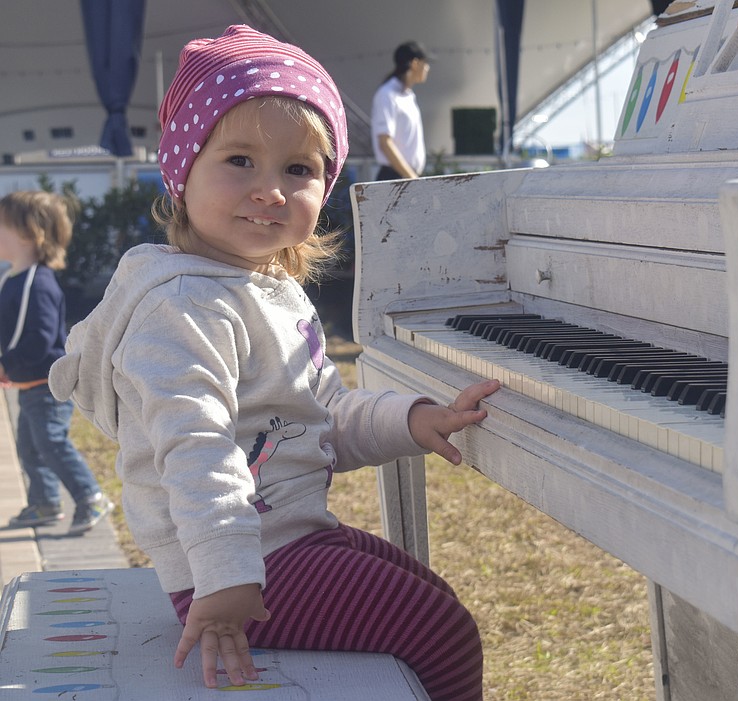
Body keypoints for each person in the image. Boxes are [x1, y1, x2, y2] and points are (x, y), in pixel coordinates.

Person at [49, 25, 497, 701]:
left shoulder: (270, 289)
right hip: (232, 568)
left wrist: (413, 419)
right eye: (239, 161)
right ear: (182, 170)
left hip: (284, 541)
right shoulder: (183, 304)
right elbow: (193, 445)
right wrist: (227, 576)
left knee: (429, 594)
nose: (270, 190)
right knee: (444, 631)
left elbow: (322, 416)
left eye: (298, 169)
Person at [0, 191, 114, 535]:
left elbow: (39, 336)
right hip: (29, 383)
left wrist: (8, 362)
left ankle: (91, 496)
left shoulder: (38, 283)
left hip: (48, 383)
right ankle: (46, 502)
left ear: (27, 233)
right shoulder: (11, 278)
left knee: (51, 443)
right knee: (30, 447)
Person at [371, 40, 431, 180]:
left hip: (407, 178)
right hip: (395, 179)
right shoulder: (386, 94)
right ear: (415, 63)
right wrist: (411, 177)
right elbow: (385, 142)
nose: (427, 68)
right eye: (425, 63)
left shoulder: (409, 95)